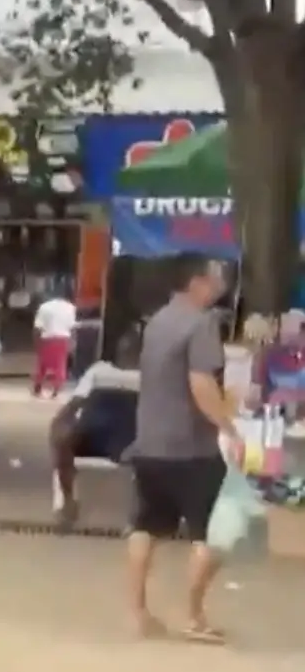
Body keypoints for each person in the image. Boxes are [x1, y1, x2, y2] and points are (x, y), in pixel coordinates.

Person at [126, 255, 238, 644]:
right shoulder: (201, 323)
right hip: (192, 447)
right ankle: (193, 615)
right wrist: (228, 426)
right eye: (216, 277)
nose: (222, 284)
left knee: (146, 527)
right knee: (215, 531)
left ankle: (138, 613)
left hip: (149, 441)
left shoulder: (157, 321)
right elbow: (201, 384)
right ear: (196, 282)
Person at [48, 325, 143, 528]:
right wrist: (59, 422)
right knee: (63, 440)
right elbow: (75, 403)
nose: (128, 353)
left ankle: (141, 514)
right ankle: (69, 502)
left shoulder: (149, 376)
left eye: (134, 349)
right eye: (125, 348)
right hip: (93, 432)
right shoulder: (99, 370)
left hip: (130, 437)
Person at [32, 291, 78, 397]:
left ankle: (38, 386)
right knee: (60, 364)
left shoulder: (44, 307)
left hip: (47, 338)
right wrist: (73, 342)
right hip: (63, 338)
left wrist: (36, 342)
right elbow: (72, 327)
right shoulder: (70, 308)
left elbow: (37, 327)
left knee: (42, 364)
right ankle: (56, 389)